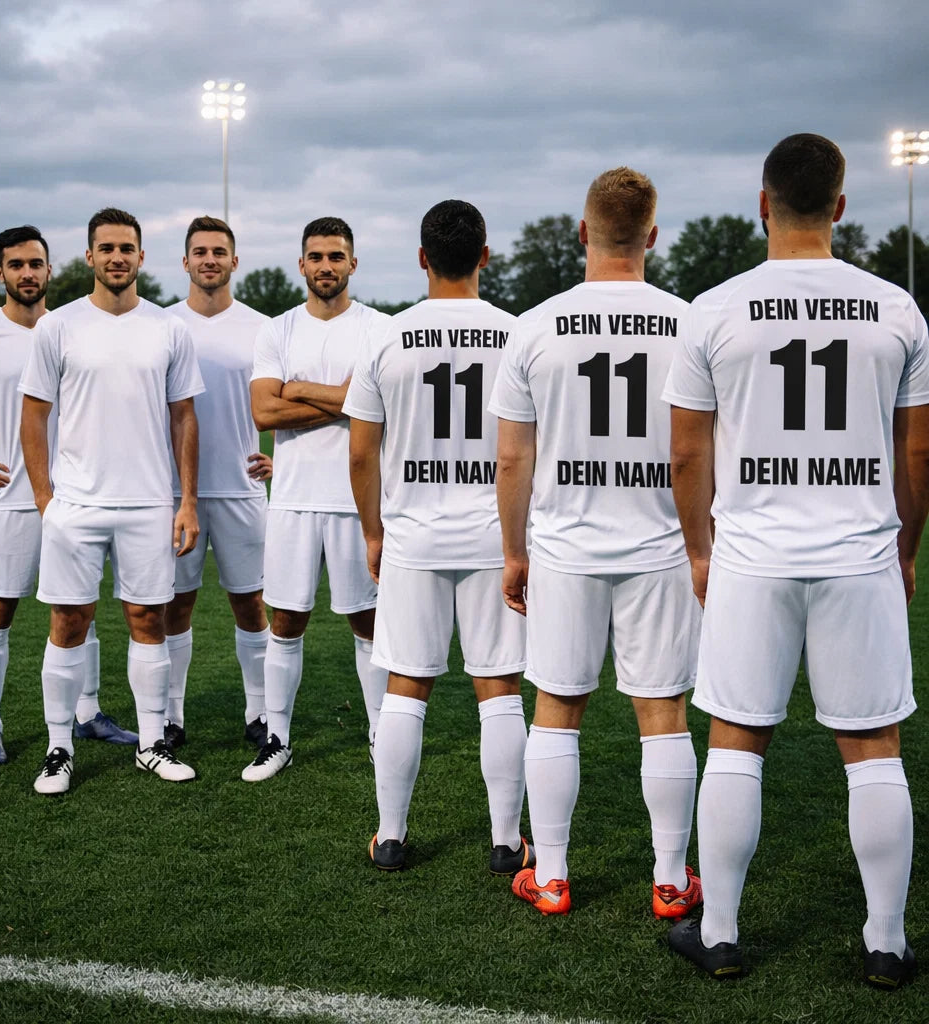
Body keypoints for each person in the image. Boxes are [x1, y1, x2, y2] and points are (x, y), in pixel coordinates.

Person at [663, 133, 929, 988]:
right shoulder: (897, 308)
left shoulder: (714, 308)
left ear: (763, 203)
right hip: (859, 552)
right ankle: (886, 942)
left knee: (738, 739)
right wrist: (906, 549)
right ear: (842, 208)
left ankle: (725, 932)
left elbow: (684, 457)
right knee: (873, 745)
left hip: (752, 552)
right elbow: (917, 458)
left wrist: (700, 551)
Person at [491, 168, 702, 918]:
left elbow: (513, 458)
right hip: (663, 546)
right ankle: (671, 881)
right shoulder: (690, 321)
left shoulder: (535, 324)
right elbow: (701, 453)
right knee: (664, 713)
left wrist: (514, 553)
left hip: (565, 546)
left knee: (557, 706)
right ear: (653, 235)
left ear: (583, 232)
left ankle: (551, 876)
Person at [345, 199, 532, 874]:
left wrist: (373, 530)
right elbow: (526, 452)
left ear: (423, 258)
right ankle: (507, 842)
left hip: (412, 538)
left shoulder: (386, 339)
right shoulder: (518, 334)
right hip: (495, 537)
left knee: (405, 686)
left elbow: (362, 454)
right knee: (500, 689)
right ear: (485, 256)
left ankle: (391, 836)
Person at [0, 225, 136, 767]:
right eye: (16, 265)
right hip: (9, 500)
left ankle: (88, 713)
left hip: (78, 497)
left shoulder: (74, 328)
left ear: (50, 269)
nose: (28, 273)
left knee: (82, 611)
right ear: (1, 273)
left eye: (36, 263)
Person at [19, 207, 204, 794]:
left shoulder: (170, 328)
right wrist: (47, 499)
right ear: (90, 256)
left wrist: (187, 500)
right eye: (107, 248)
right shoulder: (58, 326)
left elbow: (184, 417)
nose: (117, 257)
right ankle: (58, 747)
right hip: (76, 505)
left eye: (127, 247)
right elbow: (34, 414)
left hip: (150, 503)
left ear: (142, 257)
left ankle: (152, 743)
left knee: (148, 618)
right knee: (68, 622)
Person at [244, 217, 389, 781]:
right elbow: (264, 411)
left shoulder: (381, 328)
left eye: (336, 256)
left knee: (368, 620)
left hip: (362, 500)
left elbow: (387, 405)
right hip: (295, 498)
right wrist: (349, 398)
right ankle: (276, 737)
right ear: (300, 264)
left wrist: (298, 386)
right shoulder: (277, 330)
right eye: (316, 256)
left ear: (353, 263)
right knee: (286, 619)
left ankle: (381, 731)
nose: (326, 266)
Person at [163, 216, 273, 751]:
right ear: (185, 262)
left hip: (242, 488)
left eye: (219, 251)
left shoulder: (262, 328)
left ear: (234, 261)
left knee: (250, 603)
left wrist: (285, 462)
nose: (209, 259)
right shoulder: (160, 325)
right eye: (199, 252)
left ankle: (260, 712)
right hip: (173, 494)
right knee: (174, 605)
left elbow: (286, 401)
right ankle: (170, 716)